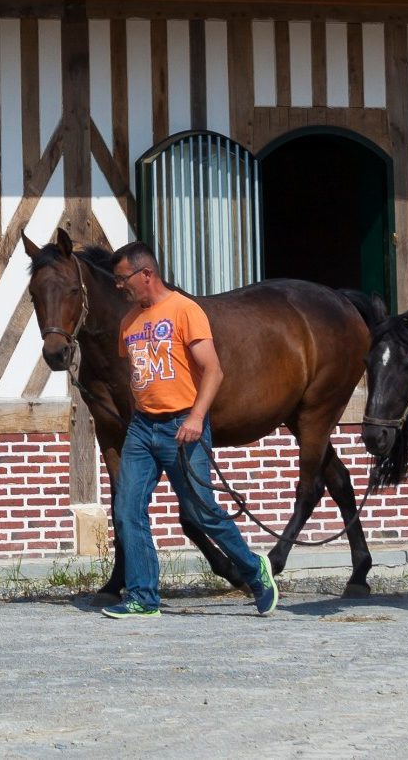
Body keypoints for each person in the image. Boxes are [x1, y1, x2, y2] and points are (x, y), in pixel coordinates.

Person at [102, 241, 278, 619]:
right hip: (142, 428)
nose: (120, 287)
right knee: (127, 508)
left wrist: (196, 418)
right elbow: (140, 374)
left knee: (202, 512)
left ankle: (254, 571)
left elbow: (213, 370)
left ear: (146, 274)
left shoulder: (185, 310)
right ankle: (144, 597)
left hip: (183, 425)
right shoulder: (129, 321)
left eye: (122, 279)